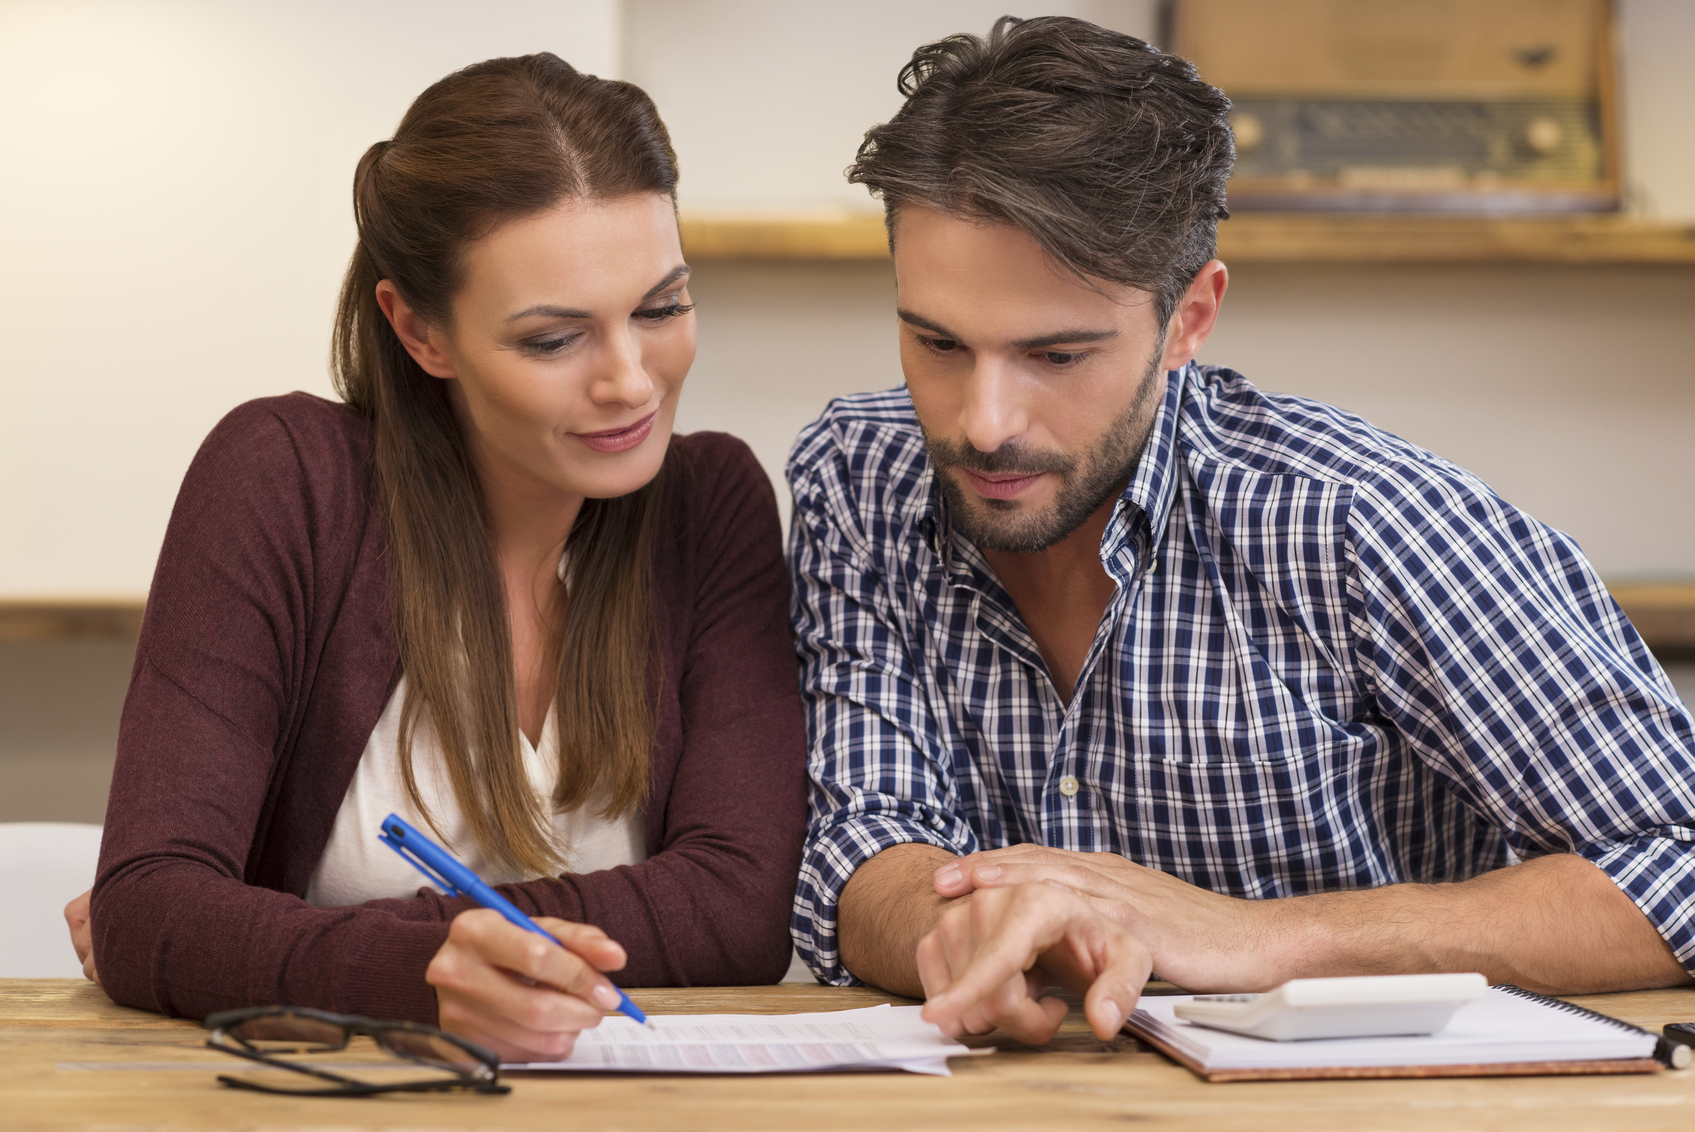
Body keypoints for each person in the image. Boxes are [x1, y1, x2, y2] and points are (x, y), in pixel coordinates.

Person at [786, 16, 1695, 1046]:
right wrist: (958, 925)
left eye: (1060, 355)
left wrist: (1259, 935)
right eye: (937, 341)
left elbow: (1679, 858)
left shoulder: (1361, 520)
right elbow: (862, 840)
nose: (984, 420)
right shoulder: (859, 476)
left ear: (1190, 319)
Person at [65, 52, 807, 1061]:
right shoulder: (283, 482)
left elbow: (740, 911)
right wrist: (412, 972)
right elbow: (154, 907)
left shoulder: (711, 505)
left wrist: (287, 945)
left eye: (662, 307)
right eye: (555, 339)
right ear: (420, 330)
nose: (633, 381)